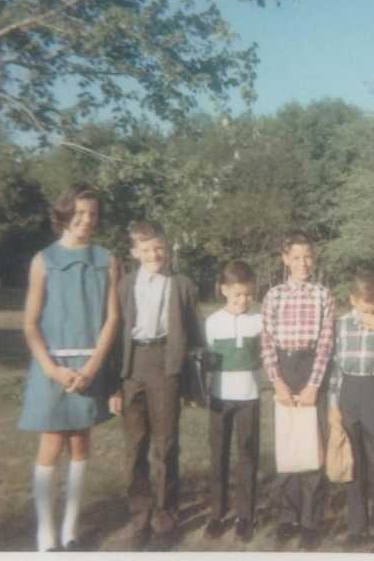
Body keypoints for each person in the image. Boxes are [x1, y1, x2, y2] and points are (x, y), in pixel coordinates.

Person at [18, 183, 120, 552]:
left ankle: (70, 530)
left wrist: (92, 368)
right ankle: (45, 533)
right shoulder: (43, 260)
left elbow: (112, 319)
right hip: (54, 367)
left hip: (88, 366)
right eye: (78, 213)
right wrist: (52, 369)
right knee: (51, 442)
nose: (86, 220)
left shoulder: (108, 259)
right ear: (64, 213)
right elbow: (30, 323)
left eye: (92, 214)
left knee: (80, 441)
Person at [108, 221, 202, 549]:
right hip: (132, 367)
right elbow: (115, 335)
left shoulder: (183, 285)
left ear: (168, 246)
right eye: (145, 249)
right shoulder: (124, 285)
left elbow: (195, 335)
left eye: (158, 247)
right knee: (135, 447)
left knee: (166, 445)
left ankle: (165, 517)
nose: (153, 254)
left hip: (166, 364)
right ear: (134, 252)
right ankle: (140, 517)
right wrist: (114, 384)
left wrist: (190, 383)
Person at [260, 231, 335, 550]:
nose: (303, 263)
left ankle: (310, 520)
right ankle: (288, 517)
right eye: (296, 257)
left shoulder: (323, 295)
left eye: (308, 257)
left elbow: (327, 343)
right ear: (285, 259)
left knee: (312, 446)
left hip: (311, 369)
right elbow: (265, 341)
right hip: (284, 369)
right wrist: (276, 381)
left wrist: (314, 384)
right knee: (289, 446)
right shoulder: (273, 295)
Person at [328, 272, 374, 553]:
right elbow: (335, 369)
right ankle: (357, 527)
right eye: (364, 306)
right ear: (352, 300)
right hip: (349, 392)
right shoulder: (340, 325)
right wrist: (333, 406)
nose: (370, 311)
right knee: (354, 463)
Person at [204, 260, 262, 543]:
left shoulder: (259, 321)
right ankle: (217, 513)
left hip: (249, 397)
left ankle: (245, 515)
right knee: (219, 456)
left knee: (247, 456)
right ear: (224, 290)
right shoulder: (212, 322)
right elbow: (204, 363)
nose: (243, 300)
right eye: (237, 294)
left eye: (248, 294)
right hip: (219, 398)